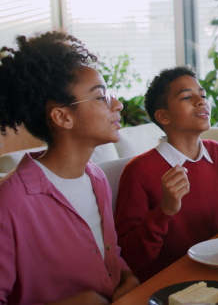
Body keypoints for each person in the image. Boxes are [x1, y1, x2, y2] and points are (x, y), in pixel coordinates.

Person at [0, 31, 139, 304]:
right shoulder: (10, 202)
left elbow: (107, 252)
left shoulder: (96, 178)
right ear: (62, 117)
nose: (118, 104)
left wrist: (126, 276)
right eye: (101, 97)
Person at [115, 66, 218, 282]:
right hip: (176, 282)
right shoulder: (139, 172)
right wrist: (163, 211)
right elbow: (130, 257)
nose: (201, 101)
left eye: (202, 95)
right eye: (186, 97)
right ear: (163, 116)